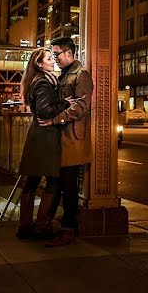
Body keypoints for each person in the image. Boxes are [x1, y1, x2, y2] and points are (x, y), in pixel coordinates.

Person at [37, 37, 92, 247]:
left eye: (57, 53)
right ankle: (52, 224)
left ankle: (68, 229)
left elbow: (81, 107)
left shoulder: (81, 74)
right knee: (59, 182)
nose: (55, 58)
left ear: (68, 52)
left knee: (68, 184)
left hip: (73, 138)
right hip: (61, 136)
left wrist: (55, 118)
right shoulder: (64, 75)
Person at [16, 48, 68, 240]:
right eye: (48, 58)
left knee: (32, 181)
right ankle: (41, 226)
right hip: (45, 136)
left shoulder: (35, 80)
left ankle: (24, 226)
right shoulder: (44, 82)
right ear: (39, 64)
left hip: (37, 136)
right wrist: (65, 103)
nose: (52, 60)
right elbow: (45, 110)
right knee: (53, 181)